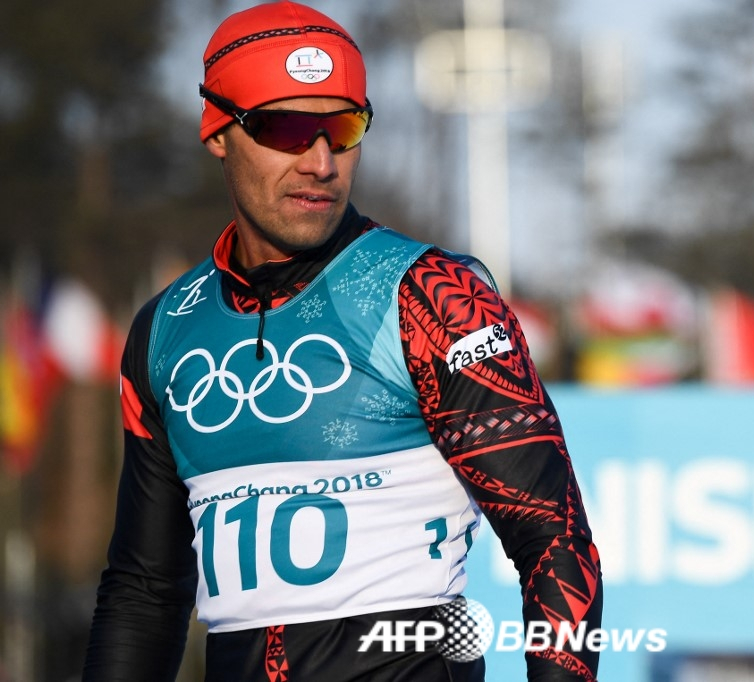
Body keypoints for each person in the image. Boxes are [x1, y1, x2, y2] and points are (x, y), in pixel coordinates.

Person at [82, 2, 602, 681]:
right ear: (217, 129)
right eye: (286, 130)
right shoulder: (166, 329)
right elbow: (145, 593)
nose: (321, 162)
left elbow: (553, 539)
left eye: (343, 130)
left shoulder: (434, 297)